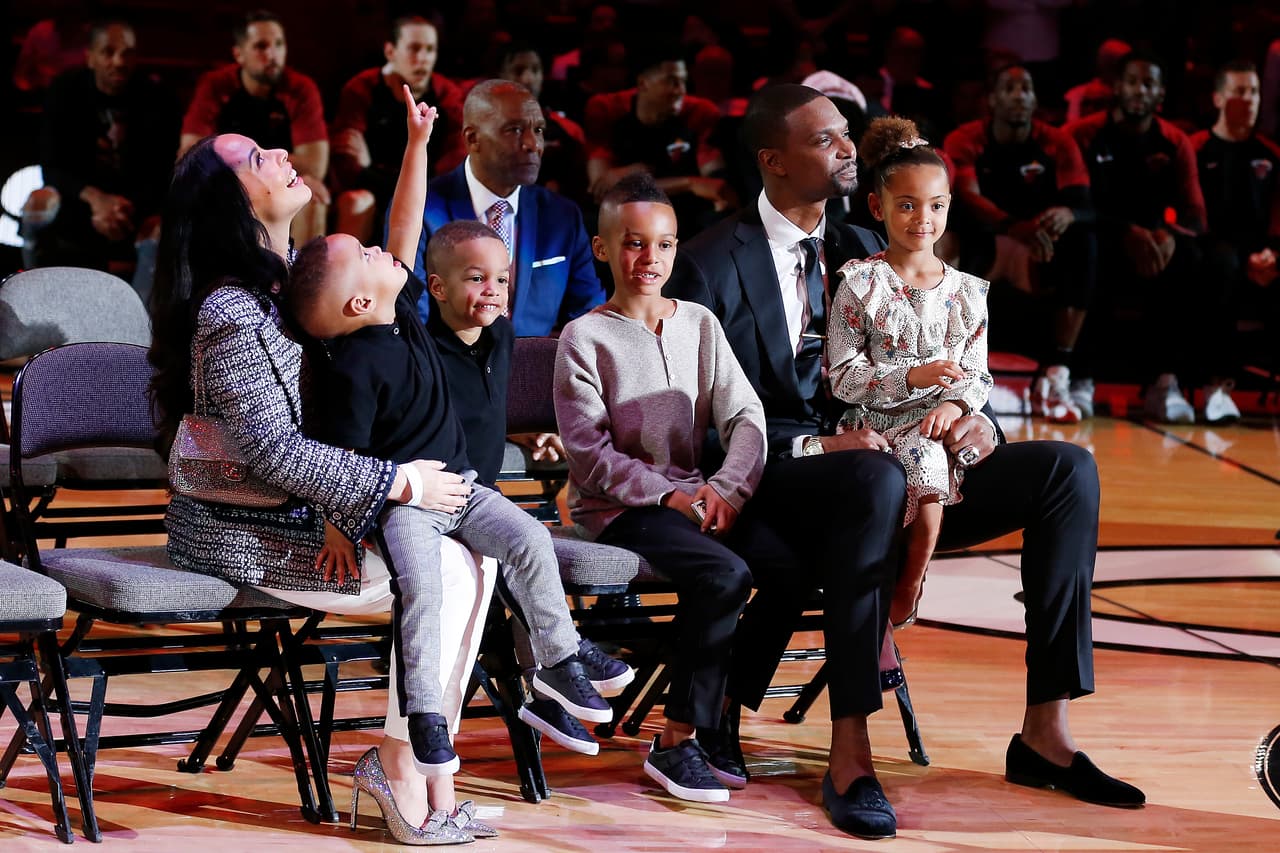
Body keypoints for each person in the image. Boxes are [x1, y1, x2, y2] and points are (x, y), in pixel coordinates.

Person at [668, 83, 1145, 839]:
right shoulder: (704, 263)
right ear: (774, 161)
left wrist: (974, 418)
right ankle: (850, 749)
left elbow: (943, 359)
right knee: (872, 475)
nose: (847, 147)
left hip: (898, 462)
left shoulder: (869, 244)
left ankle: (1045, 731)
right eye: (825, 139)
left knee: (1065, 471)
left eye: (845, 134)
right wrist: (823, 444)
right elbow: (700, 430)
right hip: (784, 473)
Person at [148, 122, 497, 843]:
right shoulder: (232, 311)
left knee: (473, 558)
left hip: (318, 519)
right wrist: (397, 482)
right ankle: (411, 773)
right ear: (231, 205)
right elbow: (274, 454)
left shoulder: (301, 280)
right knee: (447, 567)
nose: (278, 152)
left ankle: (412, 766)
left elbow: (394, 262)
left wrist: (415, 148)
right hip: (244, 533)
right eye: (253, 158)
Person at [284, 101, 634, 783]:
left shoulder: (407, 323)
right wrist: (334, 525)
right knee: (425, 586)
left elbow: (407, 221)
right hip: (405, 505)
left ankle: (559, 660)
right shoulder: (356, 363)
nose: (383, 250)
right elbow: (341, 458)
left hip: (464, 491)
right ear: (360, 302)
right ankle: (424, 713)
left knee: (531, 540)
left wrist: (419, 141)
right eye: (366, 257)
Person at [555, 173, 767, 803]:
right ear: (602, 248)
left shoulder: (699, 322)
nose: (651, 259)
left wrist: (727, 489)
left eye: (666, 245)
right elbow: (591, 458)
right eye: (634, 243)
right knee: (725, 576)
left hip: (699, 500)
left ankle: (721, 714)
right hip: (622, 509)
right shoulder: (584, 337)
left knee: (790, 563)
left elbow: (745, 418)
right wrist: (673, 496)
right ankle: (678, 741)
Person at [420, 219, 599, 756]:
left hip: (482, 495)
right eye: (478, 279)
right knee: (514, 552)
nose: (493, 290)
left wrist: (528, 431)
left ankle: (545, 693)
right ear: (437, 288)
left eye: (502, 278)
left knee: (518, 555)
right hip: (433, 496)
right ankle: (551, 680)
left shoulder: (499, 333)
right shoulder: (419, 346)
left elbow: (480, 412)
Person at [829, 117, 994, 632]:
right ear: (878, 208)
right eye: (907, 205)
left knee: (959, 449)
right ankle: (911, 580)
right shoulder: (861, 284)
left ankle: (914, 563)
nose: (923, 218)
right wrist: (913, 378)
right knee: (923, 454)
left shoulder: (968, 291)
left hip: (943, 423)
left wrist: (955, 404)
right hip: (878, 424)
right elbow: (843, 376)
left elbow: (978, 374)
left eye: (936, 205)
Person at [1065, 51, 1237, 424]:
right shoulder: (1083, 134)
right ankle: (1081, 379)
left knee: (1195, 256)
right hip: (1101, 234)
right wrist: (1125, 231)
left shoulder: (1174, 141)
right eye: (1132, 82)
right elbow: (1074, 204)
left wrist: (1169, 235)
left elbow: (1195, 215)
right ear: (1117, 88)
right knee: (1088, 252)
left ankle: (1165, 383)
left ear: (1160, 92)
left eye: (1149, 83)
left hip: (1155, 244)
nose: (1139, 91)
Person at [944, 64, 1097, 422]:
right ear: (992, 100)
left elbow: (1084, 204)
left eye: (1026, 88)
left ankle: (1057, 373)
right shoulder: (965, 139)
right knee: (946, 231)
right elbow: (967, 198)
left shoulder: (1057, 142)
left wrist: (1068, 215)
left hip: (1038, 250)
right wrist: (1014, 227)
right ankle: (947, 370)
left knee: (1085, 243)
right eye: (1009, 88)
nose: (1019, 95)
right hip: (986, 245)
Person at [408, 79, 605, 337]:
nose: (532, 144)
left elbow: (588, 316)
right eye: (514, 130)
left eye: (538, 130)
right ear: (472, 138)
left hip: (536, 370)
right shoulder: (423, 208)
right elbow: (412, 318)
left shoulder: (561, 216)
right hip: (446, 371)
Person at [24, 19, 179, 302]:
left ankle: (135, 331)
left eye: (127, 53)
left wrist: (121, 207)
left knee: (162, 230)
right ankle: (35, 301)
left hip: (132, 206)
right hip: (80, 199)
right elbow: (51, 166)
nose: (119, 62)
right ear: (91, 57)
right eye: (108, 52)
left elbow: (162, 171)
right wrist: (96, 200)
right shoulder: (65, 90)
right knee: (37, 203)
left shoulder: (158, 98)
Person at [179, 9, 330, 244]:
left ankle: (298, 280)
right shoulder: (216, 85)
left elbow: (314, 165)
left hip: (279, 183)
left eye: (279, 44)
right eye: (261, 46)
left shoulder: (301, 88)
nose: (272, 54)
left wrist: (246, 158)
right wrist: (257, 169)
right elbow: (191, 153)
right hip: (230, 186)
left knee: (313, 194)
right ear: (239, 54)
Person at [330, 15, 467, 245]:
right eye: (414, 49)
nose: (422, 58)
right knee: (355, 201)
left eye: (430, 50)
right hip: (370, 191)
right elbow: (347, 168)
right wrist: (367, 174)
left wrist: (370, 169)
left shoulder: (447, 95)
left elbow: (450, 171)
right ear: (390, 52)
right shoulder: (361, 89)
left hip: (424, 192)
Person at [1190, 60, 1280, 382]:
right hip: (1211, 254)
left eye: (1255, 92)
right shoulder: (1196, 148)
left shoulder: (1270, 155)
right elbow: (1189, 218)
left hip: (1262, 259)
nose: (1250, 100)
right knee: (1222, 264)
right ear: (1218, 99)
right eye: (1239, 91)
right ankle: (1217, 383)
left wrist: (1272, 254)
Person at [584, 43, 735, 233]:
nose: (681, 90)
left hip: (681, 214)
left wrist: (628, 178)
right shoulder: (606, 109)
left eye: (683, 82)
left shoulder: (700, 112)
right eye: (672, 81)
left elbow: (713, 182)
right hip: (625, 217)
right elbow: (602, 189)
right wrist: (689, 183)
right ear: (643, 83)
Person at [499, 42, 590, 206]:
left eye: (535, 70)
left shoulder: (569, 130)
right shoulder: (486, 130)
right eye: (518, 71)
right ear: (501, 75)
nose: (528, 79)